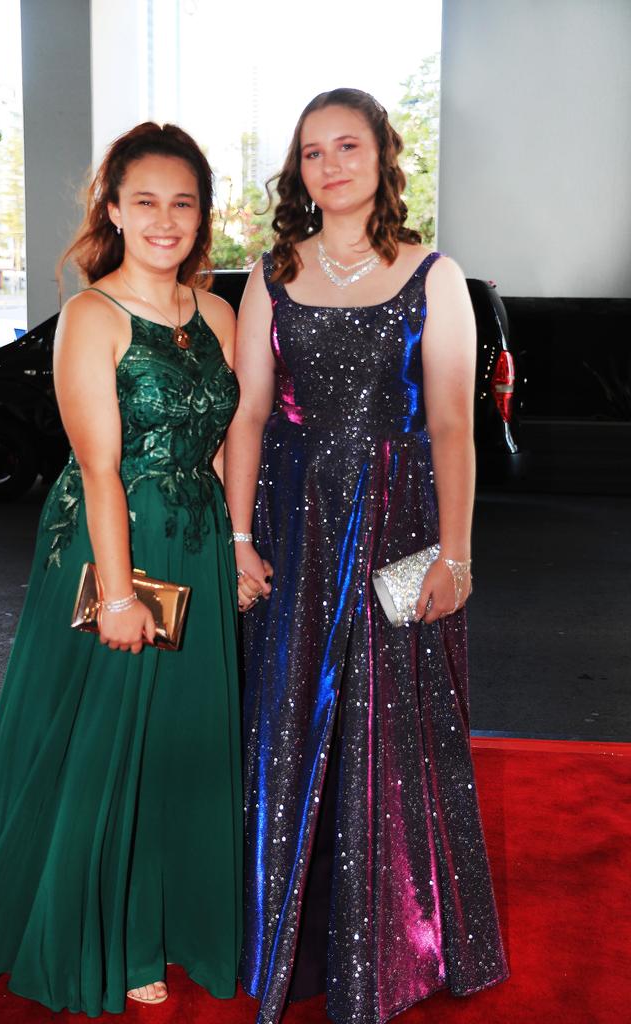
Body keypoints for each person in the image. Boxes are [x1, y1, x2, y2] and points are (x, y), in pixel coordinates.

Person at [0, 122, 242, 1015]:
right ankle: (119, 933)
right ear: (114, 208)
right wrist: (122, 593)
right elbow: (99, 469)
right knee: (111, 743)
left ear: (202, 213)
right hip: (112, 545)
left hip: (198, 545)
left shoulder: (218, 315)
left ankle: (183, 920)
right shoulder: (92, 317)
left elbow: (214, 446)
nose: (165, 220)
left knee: (182, 739)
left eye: (183, 203)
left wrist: (240, 546)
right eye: (146, 202)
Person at [225, 88, 509, 1024]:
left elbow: (454, 428)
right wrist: (236, 539)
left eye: (348, 146)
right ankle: (296, 940)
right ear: (297, 170)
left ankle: (400, 940)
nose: (330, 164)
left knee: (397, 721)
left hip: (398, 520)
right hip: (297, 520)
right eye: (312, 151)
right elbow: (252, 416)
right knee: (294, 712)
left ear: (385, 155)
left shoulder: (434, 272)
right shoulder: (271, 272)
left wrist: (455, 557)